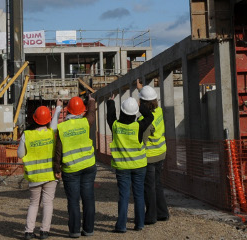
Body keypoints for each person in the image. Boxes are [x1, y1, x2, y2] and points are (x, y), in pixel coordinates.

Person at [106, 94, 154, 233]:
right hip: (139, 166)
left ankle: (121, 226)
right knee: (139, 195)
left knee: (124, 196)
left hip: (122, 167)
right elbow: (150, 117)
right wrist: (141, 107)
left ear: (122, 111)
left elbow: (110, 116)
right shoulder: (139, 126)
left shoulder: (115, 126)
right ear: (134, 114)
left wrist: (110, 101)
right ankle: (139, 224)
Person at [54, 93, 97, 238]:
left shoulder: (62, 128)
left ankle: (74, 231)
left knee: (73, 201)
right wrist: (91, 102)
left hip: (71, 169)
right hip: (88, 166)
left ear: (68, 111)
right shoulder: (86, 122)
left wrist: (56, 169)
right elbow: (91, 114)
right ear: (82, 111)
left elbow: (58, 151)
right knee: (88, 198)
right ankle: (89, 230)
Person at [18, 100, 62, 240]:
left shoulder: (27, 135)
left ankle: (29, 232)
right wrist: (59, 107)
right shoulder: (51, 133)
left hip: (34, 177)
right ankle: (44, 231)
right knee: (48, 203)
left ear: (34, 119)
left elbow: (20, 154)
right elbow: (54, 122)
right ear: (47, 120)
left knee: (33, 203)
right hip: (50, 176)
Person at [137, 80, 169, 224]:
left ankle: (150, 217)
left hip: (149, 157)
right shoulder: (159, 111)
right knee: (157, 184)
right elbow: (149, 99)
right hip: (161, 153)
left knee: (149, 187)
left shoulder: (144, 120)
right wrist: (142, 89)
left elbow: (141, 142)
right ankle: (163, 213)